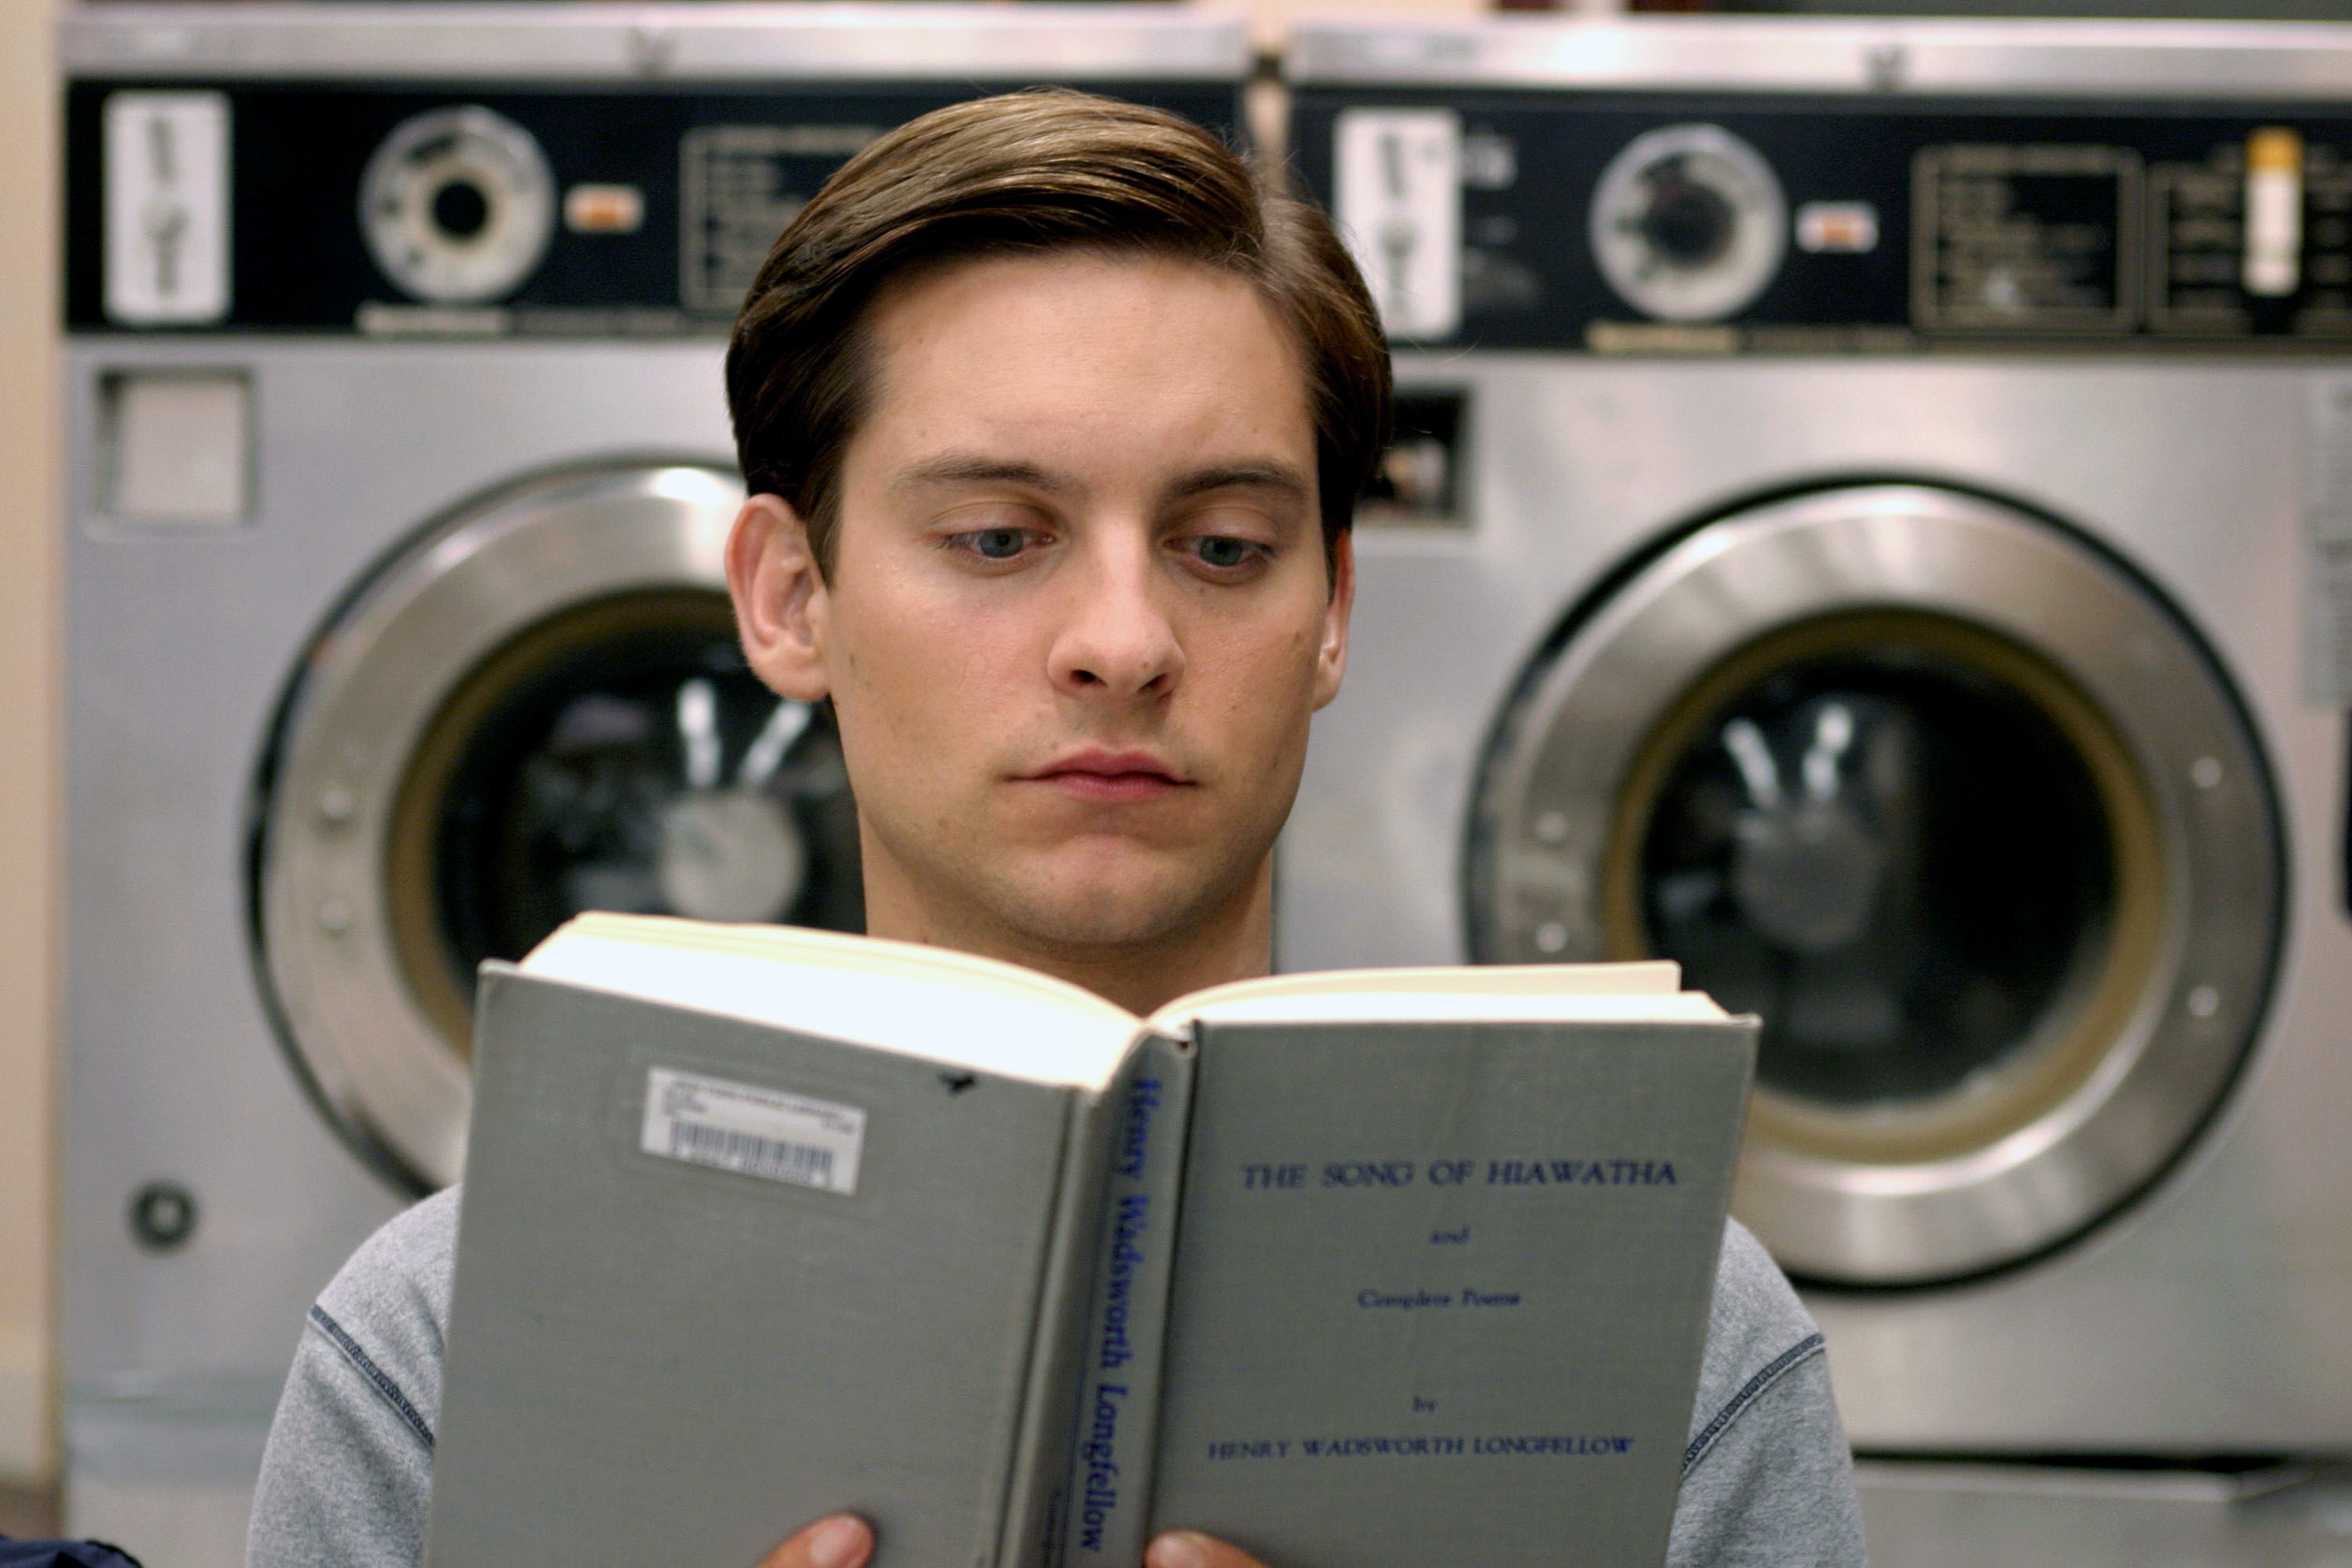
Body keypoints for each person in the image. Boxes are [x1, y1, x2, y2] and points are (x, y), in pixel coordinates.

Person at [246, 89, 1866, 1568]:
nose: (1123, 639)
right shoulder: (446, 1346)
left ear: (1330, 615)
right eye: (1001, 535)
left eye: (1223, 547)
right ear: (792, 597)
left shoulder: (1670, 1331)